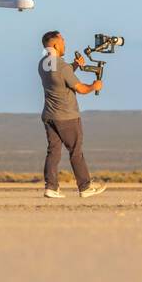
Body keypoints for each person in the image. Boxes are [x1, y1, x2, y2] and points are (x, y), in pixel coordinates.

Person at [37, 31, 106, 199]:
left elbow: (58, 77)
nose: (65, 44)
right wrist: (94, 86)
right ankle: (85, 187)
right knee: (76, 152)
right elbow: (80, 89)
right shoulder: (62, 66)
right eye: (62, 41)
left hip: (49, 115)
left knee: (53, 152)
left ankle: (51, 187)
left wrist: (74, 66)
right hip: (66, 116)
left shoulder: (43, 63)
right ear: (54, 45)